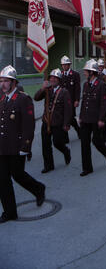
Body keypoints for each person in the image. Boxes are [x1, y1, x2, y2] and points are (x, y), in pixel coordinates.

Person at [0, 65, 45, 223]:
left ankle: (38, 189)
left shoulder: (23, 99)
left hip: (17, 146)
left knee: (17, 175)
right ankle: (10, 211)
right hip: (3, 146)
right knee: (2, 179)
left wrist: (26, 147)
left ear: (14, 83)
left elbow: (28, 126)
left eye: (6, 81)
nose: (3, 84)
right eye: (1, 81)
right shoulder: (2, 98)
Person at [34, 69, 72, 173]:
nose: (52, 79)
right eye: (51, 77)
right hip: (46, 121)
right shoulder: (47, 90)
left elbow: (68, 110)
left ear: (59, 80)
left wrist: (66, 124)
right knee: (45, 145)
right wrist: (42, 88)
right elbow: (36, 98)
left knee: (57, 143)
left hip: (57, 123)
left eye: (55, 78)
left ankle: (65, 151)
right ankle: (48, 165)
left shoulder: (64, 92)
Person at [79, 60, 106, 176]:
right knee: (84, 143)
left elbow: (104, 103)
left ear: (91, 72)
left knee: (96, 141)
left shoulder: (101, 85)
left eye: (86, 71)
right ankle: (87, 168)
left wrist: (102, 119)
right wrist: (80, 116)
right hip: (85, 118)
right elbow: (84, 102)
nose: (84, 73)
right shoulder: (85, 84)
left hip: (96, 118)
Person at [60, 55, 81, 139]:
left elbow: (77, 88)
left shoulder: (75, 74)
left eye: (66, 64)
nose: (65, 66)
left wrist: (77, 100)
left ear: (69, 65)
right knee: (64, 118)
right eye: (63, 65)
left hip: (71, 101)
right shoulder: (60, 75)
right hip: (62, 101)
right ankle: (65, 137)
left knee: (71, 118)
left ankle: (79, 131)